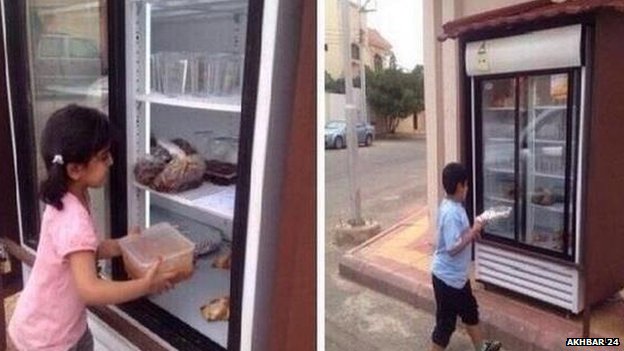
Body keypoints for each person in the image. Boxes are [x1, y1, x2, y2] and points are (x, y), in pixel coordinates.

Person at [8, 105, 177, 351]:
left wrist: (125, 245)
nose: (111, 161)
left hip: (61, 327)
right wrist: (145, 286)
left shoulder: (67, 198)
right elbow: (91, 290)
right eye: (103, 156)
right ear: (75, 169)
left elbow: (89, 251)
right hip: (46, 341)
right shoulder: (73, 218)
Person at [430, 162, 502, 351]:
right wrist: (474, 230)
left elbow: (458, 236)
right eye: (466, 184)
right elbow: (453, 247)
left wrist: (471, 231)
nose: (468, 188)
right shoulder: (451, 212)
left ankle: (482, 347)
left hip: (457, 278)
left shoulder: (453, 204)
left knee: (470, 311)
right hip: (447, 279)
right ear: (460, 186)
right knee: (446, 325)